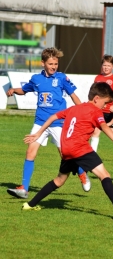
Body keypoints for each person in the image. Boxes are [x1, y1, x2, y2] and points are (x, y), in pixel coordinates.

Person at [21, 82, 113, 219]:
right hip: (79, 148)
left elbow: (53, 117)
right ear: (96, 98)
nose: (104, 107)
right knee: (104, 175)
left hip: (66, 149)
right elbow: (105, 127)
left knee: (59, 180)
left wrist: (38, 133)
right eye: (105, 103)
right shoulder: (95, 111)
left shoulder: (75, 108)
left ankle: (29, 205)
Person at [6, 47, 90, 199]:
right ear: (42, 63)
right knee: (30, 152)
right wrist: (13, 89)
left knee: (66, 155)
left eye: (56, 64)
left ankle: (82, 172)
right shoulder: (36, 79)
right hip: (40, 122)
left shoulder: (62, 78)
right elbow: (25, 90)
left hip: (58, 122)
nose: (53, 67)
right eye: (51, 64)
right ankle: (24, 188)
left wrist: (83, 110)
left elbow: (73, 96)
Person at [91, 54, 113, 162]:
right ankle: (93, 157)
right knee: (95, 132)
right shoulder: (98, 78)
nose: (106, 67)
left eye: (108, 66)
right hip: (98, 111)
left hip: (110, 112)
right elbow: (94, 93)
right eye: (104, 65)